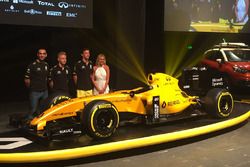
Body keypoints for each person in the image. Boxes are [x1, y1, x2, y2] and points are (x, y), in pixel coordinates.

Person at [24, 48, 49, 118]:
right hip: (34, 92)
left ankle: (40, 126)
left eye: (44, 54)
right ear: (37, 55)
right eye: (40, 53)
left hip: (45, 91)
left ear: (46, 55)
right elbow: (26, 79)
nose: (42, 55)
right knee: (33, 110)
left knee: (43, 110)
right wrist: (31, 88)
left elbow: (46, 77)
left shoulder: (46, 65)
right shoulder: (32, 65)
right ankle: (28, 126)